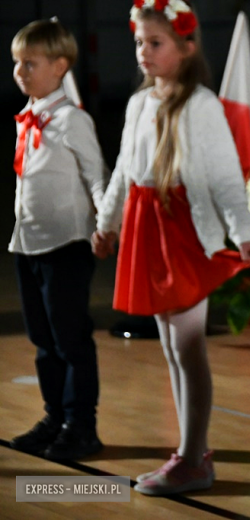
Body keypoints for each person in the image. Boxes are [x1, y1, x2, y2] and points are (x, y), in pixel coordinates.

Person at [92, 0, 250, 495]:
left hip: (183, 231)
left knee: (188, 349)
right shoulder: (139, 103)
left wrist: (243, 230)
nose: (144, 51)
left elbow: (227, 177)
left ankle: (193, 458)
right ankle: (191, 451)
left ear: (186, 48)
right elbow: (123, 170)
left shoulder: (201, 105)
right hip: (146, 229)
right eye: (139, 42)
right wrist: (107, 224)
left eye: (155, 42)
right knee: (170, 346)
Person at [8, 19, 106, 461]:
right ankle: (54, 416)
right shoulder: (29, 118)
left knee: (70, 340)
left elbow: (96, 176)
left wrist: (105, 222)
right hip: (28, 244)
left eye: (30, 63)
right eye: (17, 63)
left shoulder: (72, 120)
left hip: (65, 245)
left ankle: (81, 425)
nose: (20, 71)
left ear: (60, 65)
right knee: (43, 340)